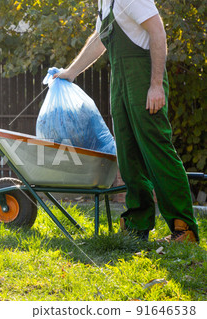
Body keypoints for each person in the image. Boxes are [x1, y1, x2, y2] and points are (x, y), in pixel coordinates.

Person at [54, 0, 199, 243]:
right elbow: (98, 40)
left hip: (143, 80)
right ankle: (137, 224)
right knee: (127, 153)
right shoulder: (105, 3)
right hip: (120, 83)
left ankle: (184, 228)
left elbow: (158, 32)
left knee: (157, 150)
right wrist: (71, 72)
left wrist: (155, 85)